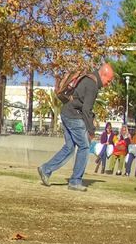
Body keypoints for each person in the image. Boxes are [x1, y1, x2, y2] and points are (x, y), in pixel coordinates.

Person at [38, 62, 115, 192]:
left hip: (66, 112)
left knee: (69, 147)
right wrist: (91, 130)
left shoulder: (88, 78)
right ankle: (75, 181)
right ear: (103, 74)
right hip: (74, 116)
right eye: (109, 80)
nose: (109, 83)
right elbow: (86, 109)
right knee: (84, 147)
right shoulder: (92, 85)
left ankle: (45, 169)